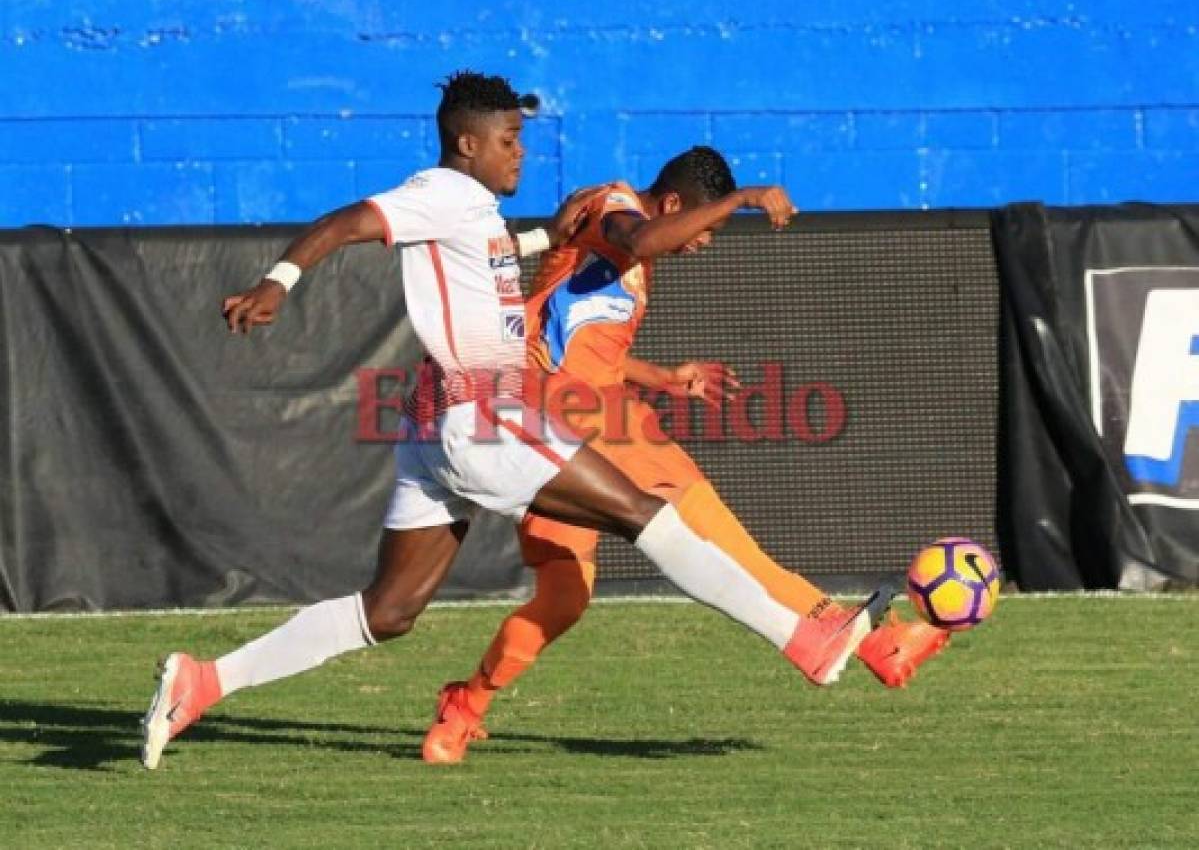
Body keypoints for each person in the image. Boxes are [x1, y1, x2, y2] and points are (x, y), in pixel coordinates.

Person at [141, 71, 886, 771]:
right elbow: (346, 222)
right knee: (643, 512)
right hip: (483, 412)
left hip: (434, 421)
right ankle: (802, 640)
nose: (520, 154)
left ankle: (204, 681)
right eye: (508, 140)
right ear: (467, 143)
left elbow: (487, 258)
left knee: (390, 610)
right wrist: (277, 283)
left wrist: (546, 242)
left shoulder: (473, 212)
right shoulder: (437, 191)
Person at [420, 148, 951, 763]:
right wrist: (742, 198)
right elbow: (638, 238)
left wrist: (665, 378)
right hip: (563, 415)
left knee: (563, 598)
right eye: (707, 227)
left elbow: (586, 348)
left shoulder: (627, 255)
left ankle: (464, 707)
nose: (705, 243)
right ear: (674, 204)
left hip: (570, 418)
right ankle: (837, 634)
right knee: (704, 518)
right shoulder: (615, 206)